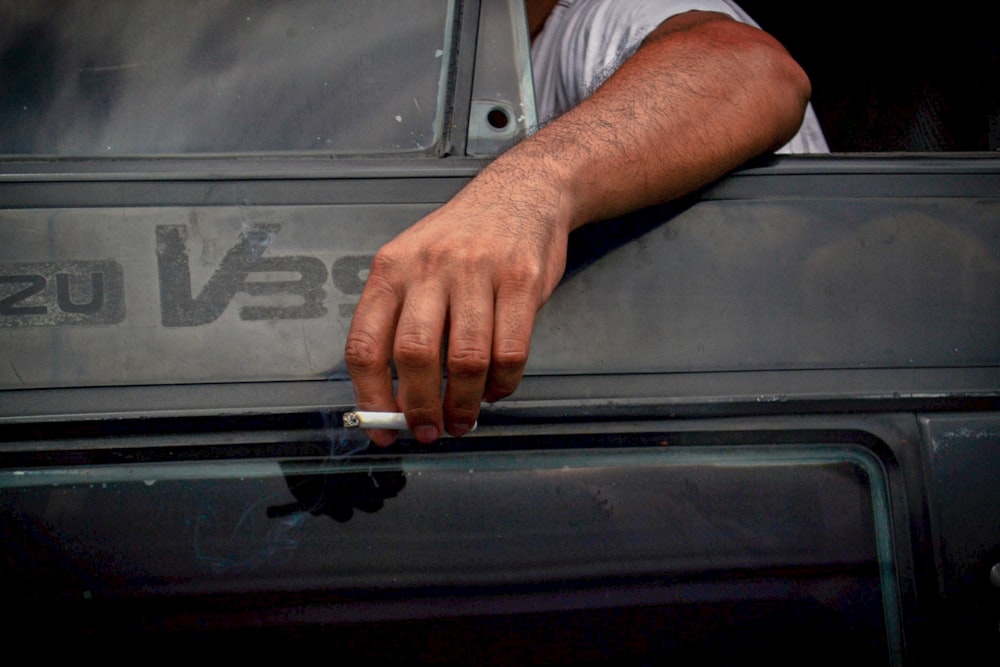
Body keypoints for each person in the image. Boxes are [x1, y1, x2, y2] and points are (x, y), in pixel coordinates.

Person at [345, 0, 826, 445]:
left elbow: (750, 67)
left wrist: (530, 188)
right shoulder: (442, 68)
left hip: (756, 432)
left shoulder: (609, 15)